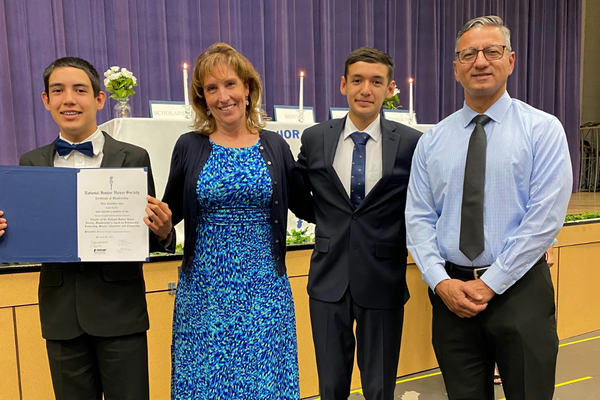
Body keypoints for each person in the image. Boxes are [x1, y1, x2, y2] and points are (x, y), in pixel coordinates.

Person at [406, 15, 572, 400]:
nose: (480, 61)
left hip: (520, 292)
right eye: (469, 54)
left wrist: (491, 283)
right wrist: (439, 281)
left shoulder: (542, 130)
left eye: (491, 51)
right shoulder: (432, 142)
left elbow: (545, 217)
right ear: (455, 68)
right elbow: (417, 217)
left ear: (510, 60)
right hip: (451, 295)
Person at [146, 42, 313, 399]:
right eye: (212, 88)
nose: (223, 96)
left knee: (265, 381)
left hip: (264, 287)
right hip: (205, 289)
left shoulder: (274, 146)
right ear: (202, 98)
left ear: (247, 88)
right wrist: (160, 230)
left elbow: (308, 206)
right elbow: (168, 215)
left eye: (230, 84)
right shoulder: (189, 146)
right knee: (205, 382)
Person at [0, 57, 170, 400]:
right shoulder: (30, 164)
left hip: (121, 313)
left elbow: (147, 234)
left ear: (99, 99)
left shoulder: (133, 157)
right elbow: (24, 238)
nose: (69, 99)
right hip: (61, 317)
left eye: (79, 90)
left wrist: (164, 231)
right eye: (58, 91)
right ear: (46, 101)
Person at [296, 47, 421, 400]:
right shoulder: (316, 138)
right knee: (330, 386)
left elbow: (420, 204)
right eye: (357, 80)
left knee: (380, 387)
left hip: (383, 277)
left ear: (390, 88)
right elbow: (301, 193)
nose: (366, 89)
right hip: (327, 280)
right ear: (343, 85)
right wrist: (328, 222)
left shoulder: (411, 143)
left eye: (376, 82)